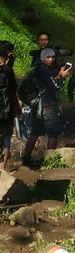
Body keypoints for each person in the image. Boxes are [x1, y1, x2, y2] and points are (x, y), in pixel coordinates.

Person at [22, 48, 72, 168]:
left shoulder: (37, 69)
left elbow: (46, 83)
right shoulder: (44, 70)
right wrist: (63, 77)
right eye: (48, 57)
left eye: (53, 57)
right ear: (43, 58)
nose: (51, 60)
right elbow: (55, 87)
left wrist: (57, 76)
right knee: (53, 133)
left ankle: (26, 159)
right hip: (47, 105)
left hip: (36, 105)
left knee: (35, 133)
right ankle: (50, 162)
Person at [0, 41, 21, 172]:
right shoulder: (8, 71)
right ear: (9, 54)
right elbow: (12, 92)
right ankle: (2, 169)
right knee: (6, 137)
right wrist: (18, 111)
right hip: (4, 112)